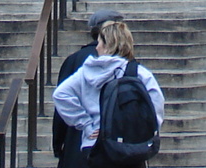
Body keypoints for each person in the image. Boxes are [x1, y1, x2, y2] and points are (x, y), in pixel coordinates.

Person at [52, 19, 164, 168]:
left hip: (94, 145)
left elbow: (60, 94)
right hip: (128, 146)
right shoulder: (137, 72)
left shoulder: (86, 72)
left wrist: (85, 123)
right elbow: (156, 103)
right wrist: (143, 131)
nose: (97, 47)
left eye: (99, 42)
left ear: (107, 44)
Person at [53, 9, 124, 168]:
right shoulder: (128, 64)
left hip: (78, 143)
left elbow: (61, 102)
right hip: (118, 144)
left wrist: (58, 143)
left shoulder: (74, 60)